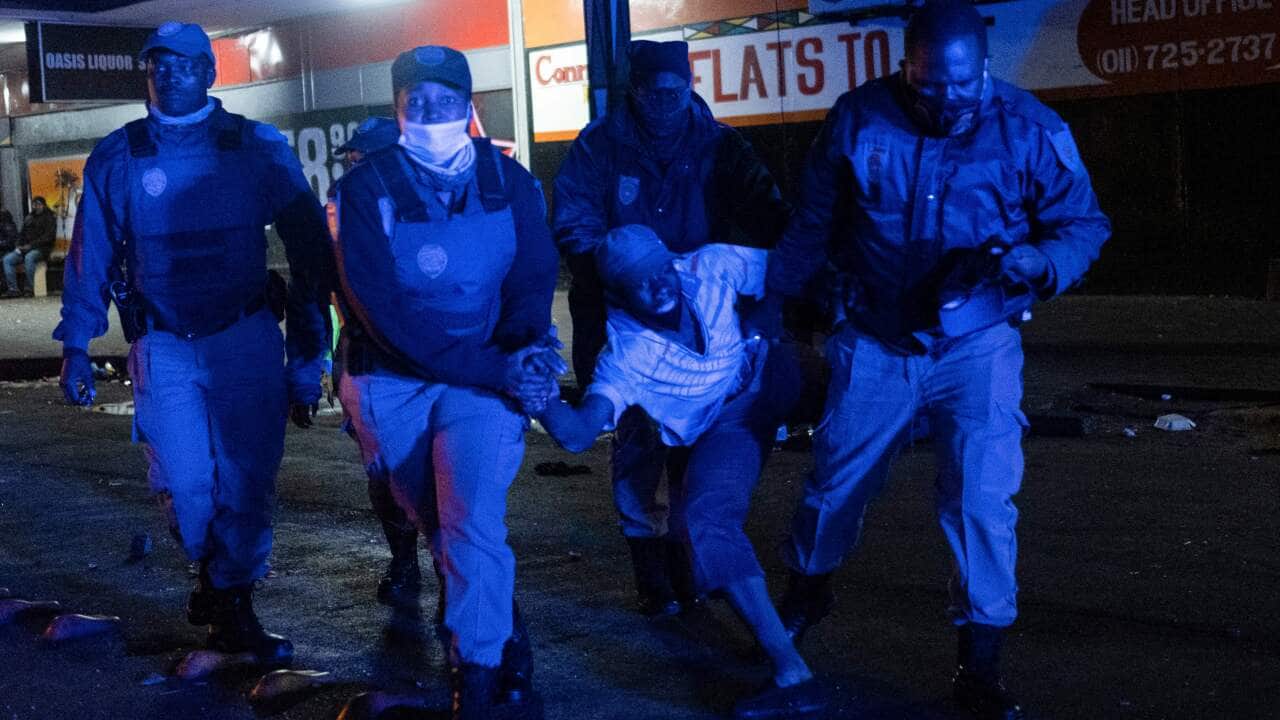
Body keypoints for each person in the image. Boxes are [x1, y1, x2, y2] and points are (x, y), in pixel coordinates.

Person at [763, 2, 1111, 719]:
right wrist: (775, 313)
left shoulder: (1032, 128)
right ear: (905, 69)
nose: (947, 102)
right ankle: (804, 594)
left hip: (978, 345)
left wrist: (1041, 262)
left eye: (962, 85)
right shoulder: (857, 118)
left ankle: (980, 662)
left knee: (981, 499)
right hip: (875, 339)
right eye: (929, 87)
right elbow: (811, 225)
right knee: (833, 483)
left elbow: (1084, 223)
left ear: (982, 67)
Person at [55, 21, 333, 667]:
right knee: (186, 486)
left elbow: (309, 248)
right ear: (147, 75)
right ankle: (217, 574)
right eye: (160, 65)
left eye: (187, 64)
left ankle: (233, 597)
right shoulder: (118, 155)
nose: (173, 75)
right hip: (166, 347)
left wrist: (310, 349)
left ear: (211, 73)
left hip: (243, 336)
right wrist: (74, 346)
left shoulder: (256, 147)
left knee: (249, 479)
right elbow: (88, 256)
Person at [331, 45, 560, 719]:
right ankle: (505, 628)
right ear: (398, 109)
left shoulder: (507, 179)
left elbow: (533, 274)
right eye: (415, 102)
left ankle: (479, 677)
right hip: (393, 382)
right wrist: (495, 366)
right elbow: (378, 307)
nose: (429, 112)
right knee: (437, 524)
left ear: (469, 107)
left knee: (470, 520)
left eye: (444, 101)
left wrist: (520, 349)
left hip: (481, 386)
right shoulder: (366, 187)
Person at [536, 226, 825, 719]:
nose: (660, 284)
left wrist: (774, 313)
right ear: (619, 293)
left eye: (661, 268)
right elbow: (580, 434)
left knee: (853, 396)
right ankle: (790, 667)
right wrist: (537, 393)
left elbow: (797, 264)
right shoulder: (627, 355)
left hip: (771, 374)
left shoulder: (709, 265)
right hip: (724, 424)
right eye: (641, 281)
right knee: (702, 521)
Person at [553, 39, 790, 617]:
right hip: (622, 314)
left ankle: (690, 555)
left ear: (690, 86)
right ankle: (649, 567)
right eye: (653, 92)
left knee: (700, 435)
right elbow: (574, 221)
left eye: (676, 91)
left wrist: (737, 285)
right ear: (634, 90)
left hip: (700, 306)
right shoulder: (599, 146)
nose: (665, 103)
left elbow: (771, 218)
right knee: (638, 441)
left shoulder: (721, 145)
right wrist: (625, 270)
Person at [323, 115, 438, 610]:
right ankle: (405, 561)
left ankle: (453, 576)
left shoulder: (432, 204)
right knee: (384, 472)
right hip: (370, 358)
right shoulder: (343, 206)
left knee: (445, 468)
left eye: (362, 159)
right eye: (351, 160)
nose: (354, 169)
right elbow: (333, 286)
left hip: (432, 359)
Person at [4, 196, 56, 297]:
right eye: (34, 204)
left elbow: (48, 237)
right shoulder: (29, 217)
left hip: (42, 249)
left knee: (29, 257)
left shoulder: (49, 217)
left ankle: (29, 288)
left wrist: (31, 246)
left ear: (44, 206)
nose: (36, 207)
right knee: (7, 259)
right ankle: (13, 289)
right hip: (25, 248)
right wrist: (18, 245)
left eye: (38, 204)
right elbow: (22, 234)